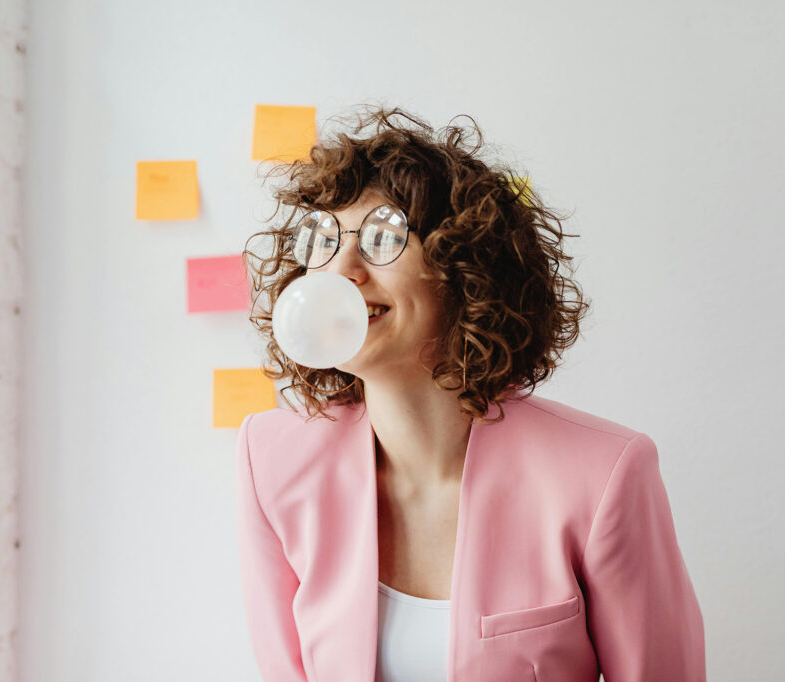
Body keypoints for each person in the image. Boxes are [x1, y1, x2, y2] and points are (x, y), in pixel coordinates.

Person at [236, 105, 705, 682]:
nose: (343, 269)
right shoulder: (272, 458)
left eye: (384, 237)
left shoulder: (604, 474)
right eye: (324, 240)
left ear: (463, 269)